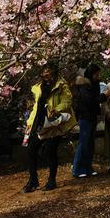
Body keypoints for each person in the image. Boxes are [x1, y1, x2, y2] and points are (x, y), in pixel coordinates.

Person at [23, 63, 76, 193]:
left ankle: (52, 180)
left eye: (48, 71)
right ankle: (33, 180)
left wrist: (57, 109)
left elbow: (67, 101)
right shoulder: (38, 87)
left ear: (53, 72)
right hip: (38, 121)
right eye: (44, 71)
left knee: (50, 151)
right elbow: (36, 105)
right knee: (31, 150)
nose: (46, 74)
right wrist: (30, 120)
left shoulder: (61, 85)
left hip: (54, 123)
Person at [72, 64, 105, 178]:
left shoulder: (94, 84)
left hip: (92, 116)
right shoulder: (84, 85)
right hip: (85, 116)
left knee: (90, 143)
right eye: (96, 74)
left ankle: (87, 167)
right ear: (91, 74)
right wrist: (104, 96)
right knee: (83, 143)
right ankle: (77, 169)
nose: (98, 76)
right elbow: (90, 101)